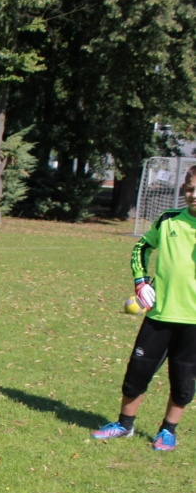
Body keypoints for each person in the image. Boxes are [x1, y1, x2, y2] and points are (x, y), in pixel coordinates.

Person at [93, 166, 196, 451]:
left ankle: (168, 430)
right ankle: (124, 425)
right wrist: (141, 282)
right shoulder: (169, 220)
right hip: (159, 315)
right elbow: (141, 248)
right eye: (189, 189)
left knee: (183, 382)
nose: (194, 195)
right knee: (137, 373)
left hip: (194, 322)